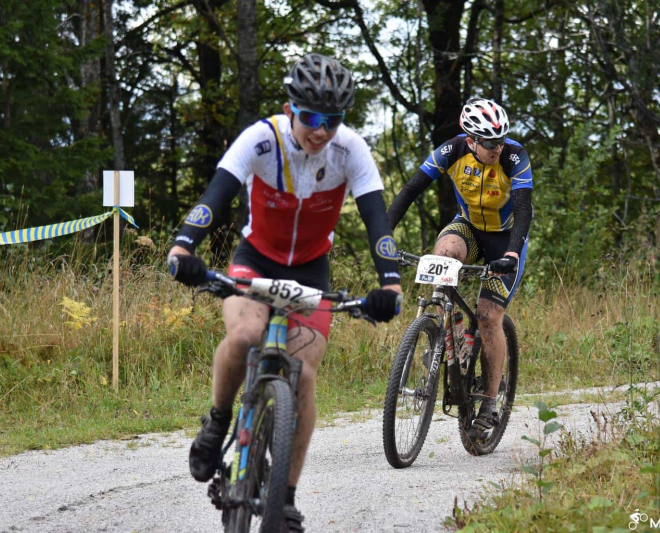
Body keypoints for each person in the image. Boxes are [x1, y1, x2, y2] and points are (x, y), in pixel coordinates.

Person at [168, 53, 402, 532]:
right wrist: (183, 247)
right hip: (255, 259)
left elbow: (377, 219)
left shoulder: (350, 150)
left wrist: (390, 284)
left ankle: (287, 498)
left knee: (305, 375)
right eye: (311, 118)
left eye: (332, 120)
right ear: (290, 109)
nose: (321, 130)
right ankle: (218, 421)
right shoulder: (262, 139)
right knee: (244, 335)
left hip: (311, 271)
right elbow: (216, 195)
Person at [387, 98, 532, 435]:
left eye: (500, 140)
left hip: (505, 238)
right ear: (471, 140)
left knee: (488, 316)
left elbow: (524, 210)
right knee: (444, 252)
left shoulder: (514, 156)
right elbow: (411, 189)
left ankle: (489, 404)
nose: (497, 148)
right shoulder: (451, 151)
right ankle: (449, 337)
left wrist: (511, 255)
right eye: (489, 143)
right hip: (468, 227)